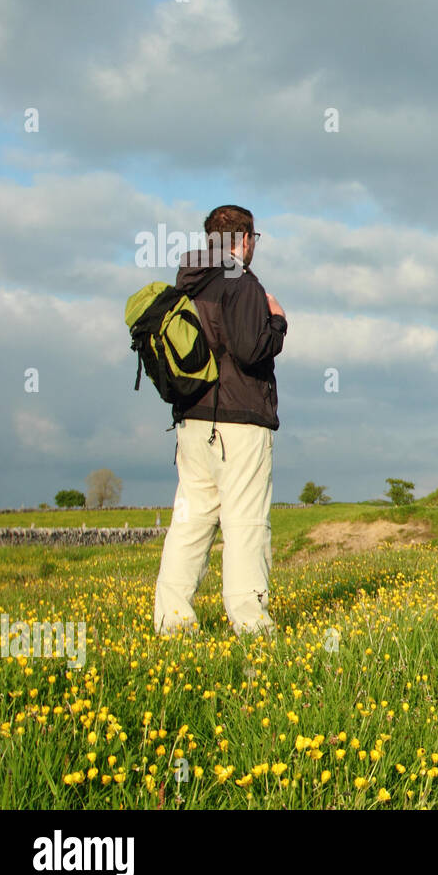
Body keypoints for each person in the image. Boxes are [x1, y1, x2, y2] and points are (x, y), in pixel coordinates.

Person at [153, 205, 287, 636]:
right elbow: (251, 350)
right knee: (245, 521)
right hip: (240, 422)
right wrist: (279, 322)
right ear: (245, 240)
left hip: (191, 423)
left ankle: (172, 621)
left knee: (190, 522)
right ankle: (251, 624)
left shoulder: (187, 284)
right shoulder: (240, 282)